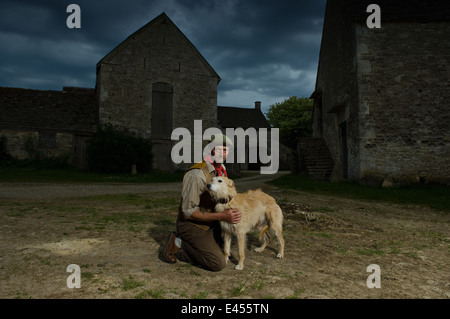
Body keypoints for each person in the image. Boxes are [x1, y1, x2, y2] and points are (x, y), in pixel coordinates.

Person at [161, 134, 242, 271]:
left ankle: (205, 243)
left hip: (211, 220)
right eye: (218, 149)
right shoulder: (197, 174)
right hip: (192, 224)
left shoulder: (221, 169)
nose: (222, 154)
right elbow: (188, 212)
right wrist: (222, 217)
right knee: (217, 263)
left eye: (225, 150)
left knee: (227, 240)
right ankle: (179, 243)